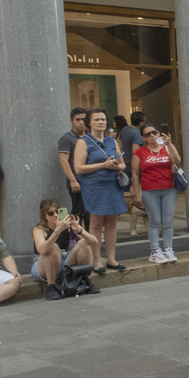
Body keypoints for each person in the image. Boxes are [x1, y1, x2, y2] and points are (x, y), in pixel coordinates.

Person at [73, 107, 128, 273]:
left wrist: (115, 165)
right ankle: (96, 260)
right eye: (96, 119)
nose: (100, 122)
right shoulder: (83, 142)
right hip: (94, 185)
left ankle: (111, 259)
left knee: (111, 222)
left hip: (112, 184)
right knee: (96, 223)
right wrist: (103, 165)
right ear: (89, 123)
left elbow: (123, 165)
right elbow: (79, 168)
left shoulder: (112, 141)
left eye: (103, 119)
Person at [132, 123, 182, 264]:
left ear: (158, 133)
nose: (152, 135)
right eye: (148, 134)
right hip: (149, 191)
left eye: (154, 132)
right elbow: (135, 174)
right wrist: (137, 193)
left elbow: (177, 161)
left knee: (167, 222)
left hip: (169, 189)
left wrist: (170, 144)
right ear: (143, 138)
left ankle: (168, 249)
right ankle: (155, 251)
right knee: (154, 222)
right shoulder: (140, 152)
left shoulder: (167, 147)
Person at [31, 199, 98, 300]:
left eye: (58, 211)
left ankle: (86, 281)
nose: (55, 215)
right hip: (42, 264)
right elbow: (42, 251)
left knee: (85, 243)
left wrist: (79, 231)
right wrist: (57, 231)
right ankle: (51, 287)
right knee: (52, 247)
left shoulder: (68, 226)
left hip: (63, 259)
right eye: (50, 213)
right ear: (44, 216)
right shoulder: (39, 229)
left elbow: (94, 242)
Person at [58, 108, 89, 220]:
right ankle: (75, 237)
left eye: (84, 119)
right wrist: (72, 180)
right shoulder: (66, 139)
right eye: (78, 120)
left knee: (91, 213)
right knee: (78, 212)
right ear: (71, 121)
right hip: (76, 180)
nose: (81, 122)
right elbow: (63, 160)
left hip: (91, 179)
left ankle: (92, 237)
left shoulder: (90, 137)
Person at [118, 112, 145, 179]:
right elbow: (135, 153)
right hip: (133, 163)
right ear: (141, 123)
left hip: (125, 160)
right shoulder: (136, 133)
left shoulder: (124, 129)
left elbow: (121, 147)